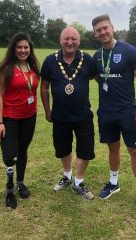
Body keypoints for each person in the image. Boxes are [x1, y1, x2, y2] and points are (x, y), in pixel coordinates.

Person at [92, 14, 136, 215]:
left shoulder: (129, 51)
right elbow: (100, 80)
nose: (102, 32)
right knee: (112, 148)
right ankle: (113, 182)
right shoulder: (96, 56)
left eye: (105, 28)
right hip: (106, 113)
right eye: (98, 30)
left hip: (128, 112)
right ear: (95, 33)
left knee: (134, 151)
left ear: (112, 27)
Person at [40, 27, 96, 201]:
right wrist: (48, 111)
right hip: (60, 116)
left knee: (85, 149)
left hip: (83, 115)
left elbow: (100, 80)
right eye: (66, 39)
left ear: (79, 41)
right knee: (62, 148)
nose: (70, 42)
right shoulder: (50, 60)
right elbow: (44, 87)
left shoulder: (87, 59)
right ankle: (67, 175)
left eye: (74, 39)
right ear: (60, 40)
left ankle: (78, 183)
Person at [0, 32, 40, 210]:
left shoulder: (33, 65)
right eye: (19, 47)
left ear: (30, 49)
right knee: (10, 156)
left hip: (29, 117)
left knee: (23, 151)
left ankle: (20, 182)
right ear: (13, 48)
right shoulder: (5, 67)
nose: (23, 50)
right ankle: (10, 188)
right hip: (10, 119)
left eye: (26, 47)